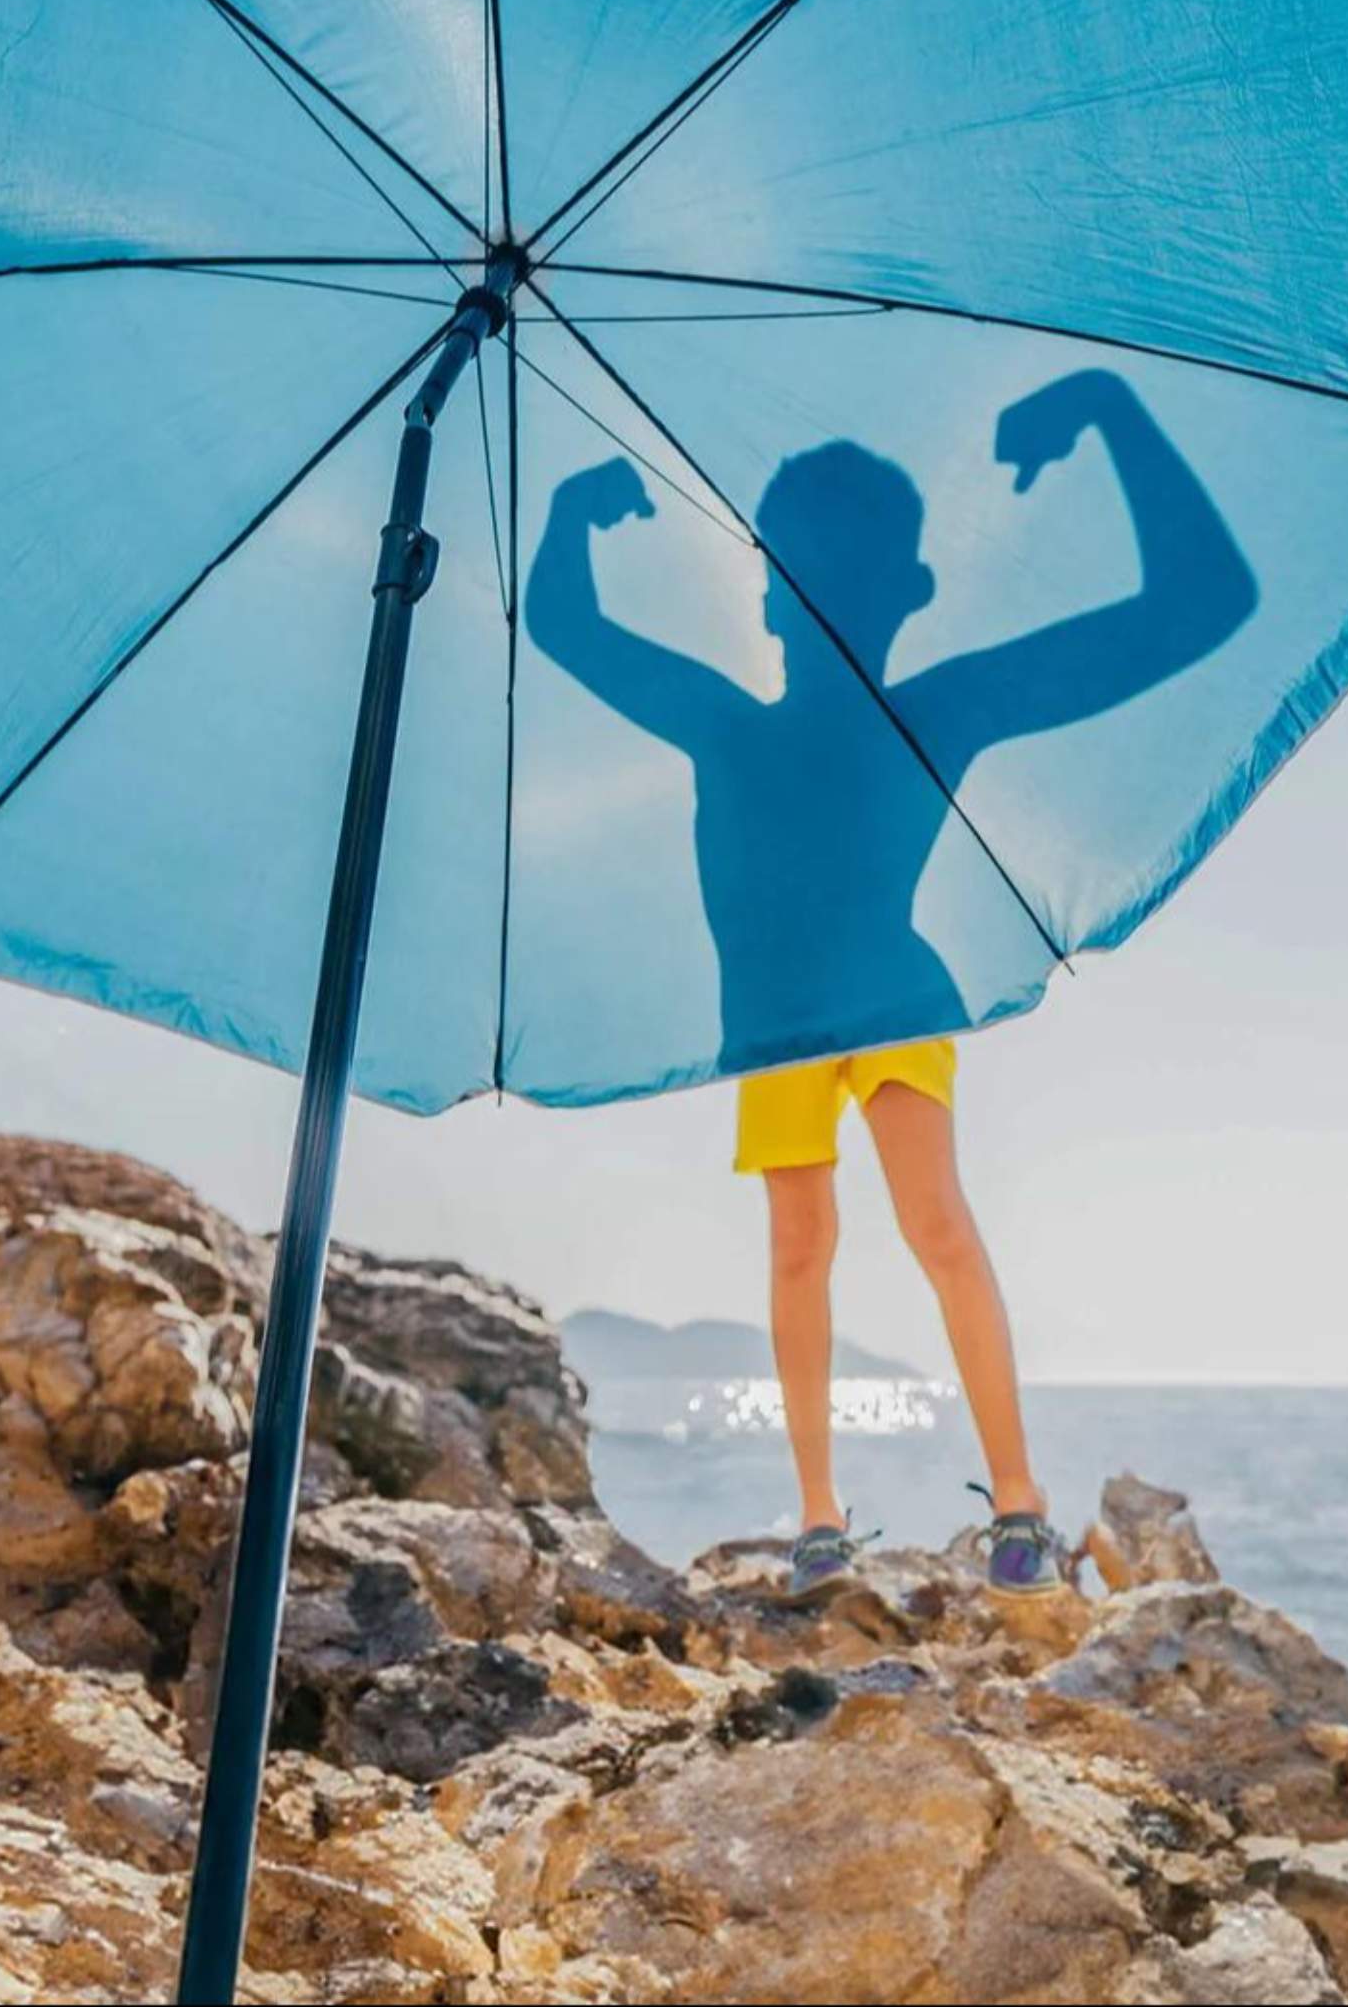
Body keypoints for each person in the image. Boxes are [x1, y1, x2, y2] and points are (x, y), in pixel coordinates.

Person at [524, 365, 1255, 1599]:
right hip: (780, 1021)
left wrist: (1106, 407)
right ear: (763, 594)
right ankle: (820, 1515)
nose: (805, 597)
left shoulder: (931, 711)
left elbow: (1201, 601)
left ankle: (1018, 1503)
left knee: (935, 1228)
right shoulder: (730, 720)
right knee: (805, 1245)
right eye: (791, 574)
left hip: (889, 992)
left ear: (909, 591)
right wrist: (565, 517)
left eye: (832, 574)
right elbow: (562, 627)